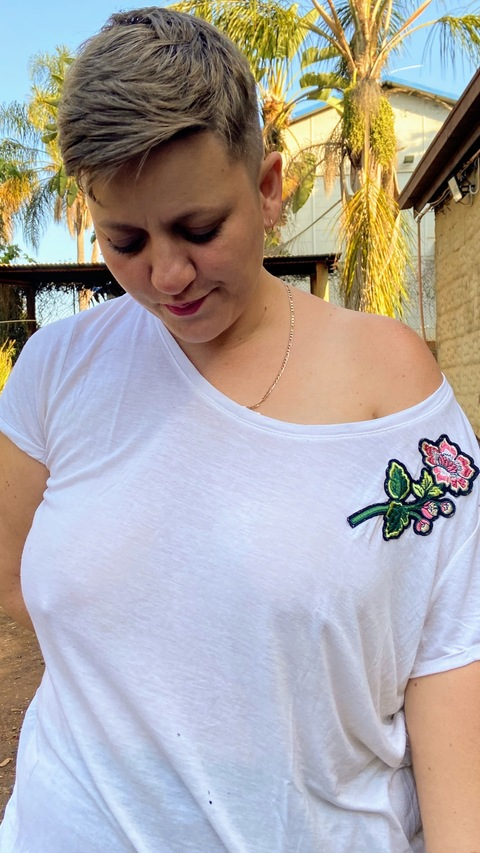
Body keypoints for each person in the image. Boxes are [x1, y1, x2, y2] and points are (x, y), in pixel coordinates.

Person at [0, 7, 479, 852]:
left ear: (267, 187)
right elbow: (13, 576)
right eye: (125, 241)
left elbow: (450, 659)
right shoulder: (58, 368)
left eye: (199, 230)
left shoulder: (392, 388)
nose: (166, 275)